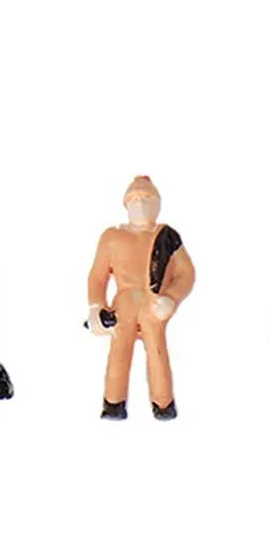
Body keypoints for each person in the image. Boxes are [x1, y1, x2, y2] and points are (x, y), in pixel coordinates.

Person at [87, 176, 195, 420]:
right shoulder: (112, 237)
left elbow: (186, 273)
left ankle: (163, 403)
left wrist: (171, 297)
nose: (139, 203)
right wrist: (96, 307)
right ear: (125, 204)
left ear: (157, 204)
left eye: (146, 198)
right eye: (134, 198)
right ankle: (113, 402)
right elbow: (97, 277)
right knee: (119, 351)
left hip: (152, 304)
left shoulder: (166, 237)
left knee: (157, 350)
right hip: (124, 304)